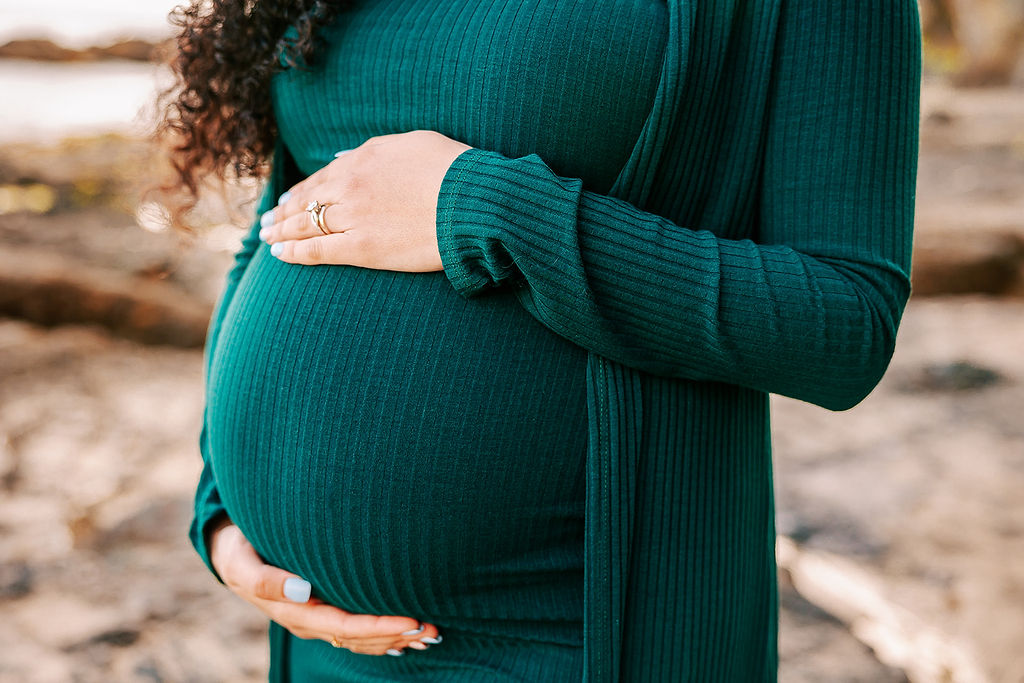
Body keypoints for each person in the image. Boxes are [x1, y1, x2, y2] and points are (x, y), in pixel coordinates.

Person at [159, 0, 921, 680]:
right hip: (321, 638)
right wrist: (221, 507)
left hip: (574, 632)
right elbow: (282, 226)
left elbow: (845, 322)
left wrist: (485, 209)